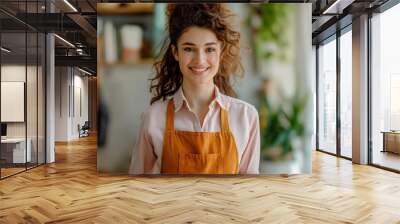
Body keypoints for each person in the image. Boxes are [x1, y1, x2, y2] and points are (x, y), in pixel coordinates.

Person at [129, 3, 260, 174]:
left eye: (210, 49)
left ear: (221, 52)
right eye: (189, 49)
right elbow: (137, 186)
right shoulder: (153, 118)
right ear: (176, 53)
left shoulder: (246, 117)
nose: (200, 60)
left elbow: (248, 190)